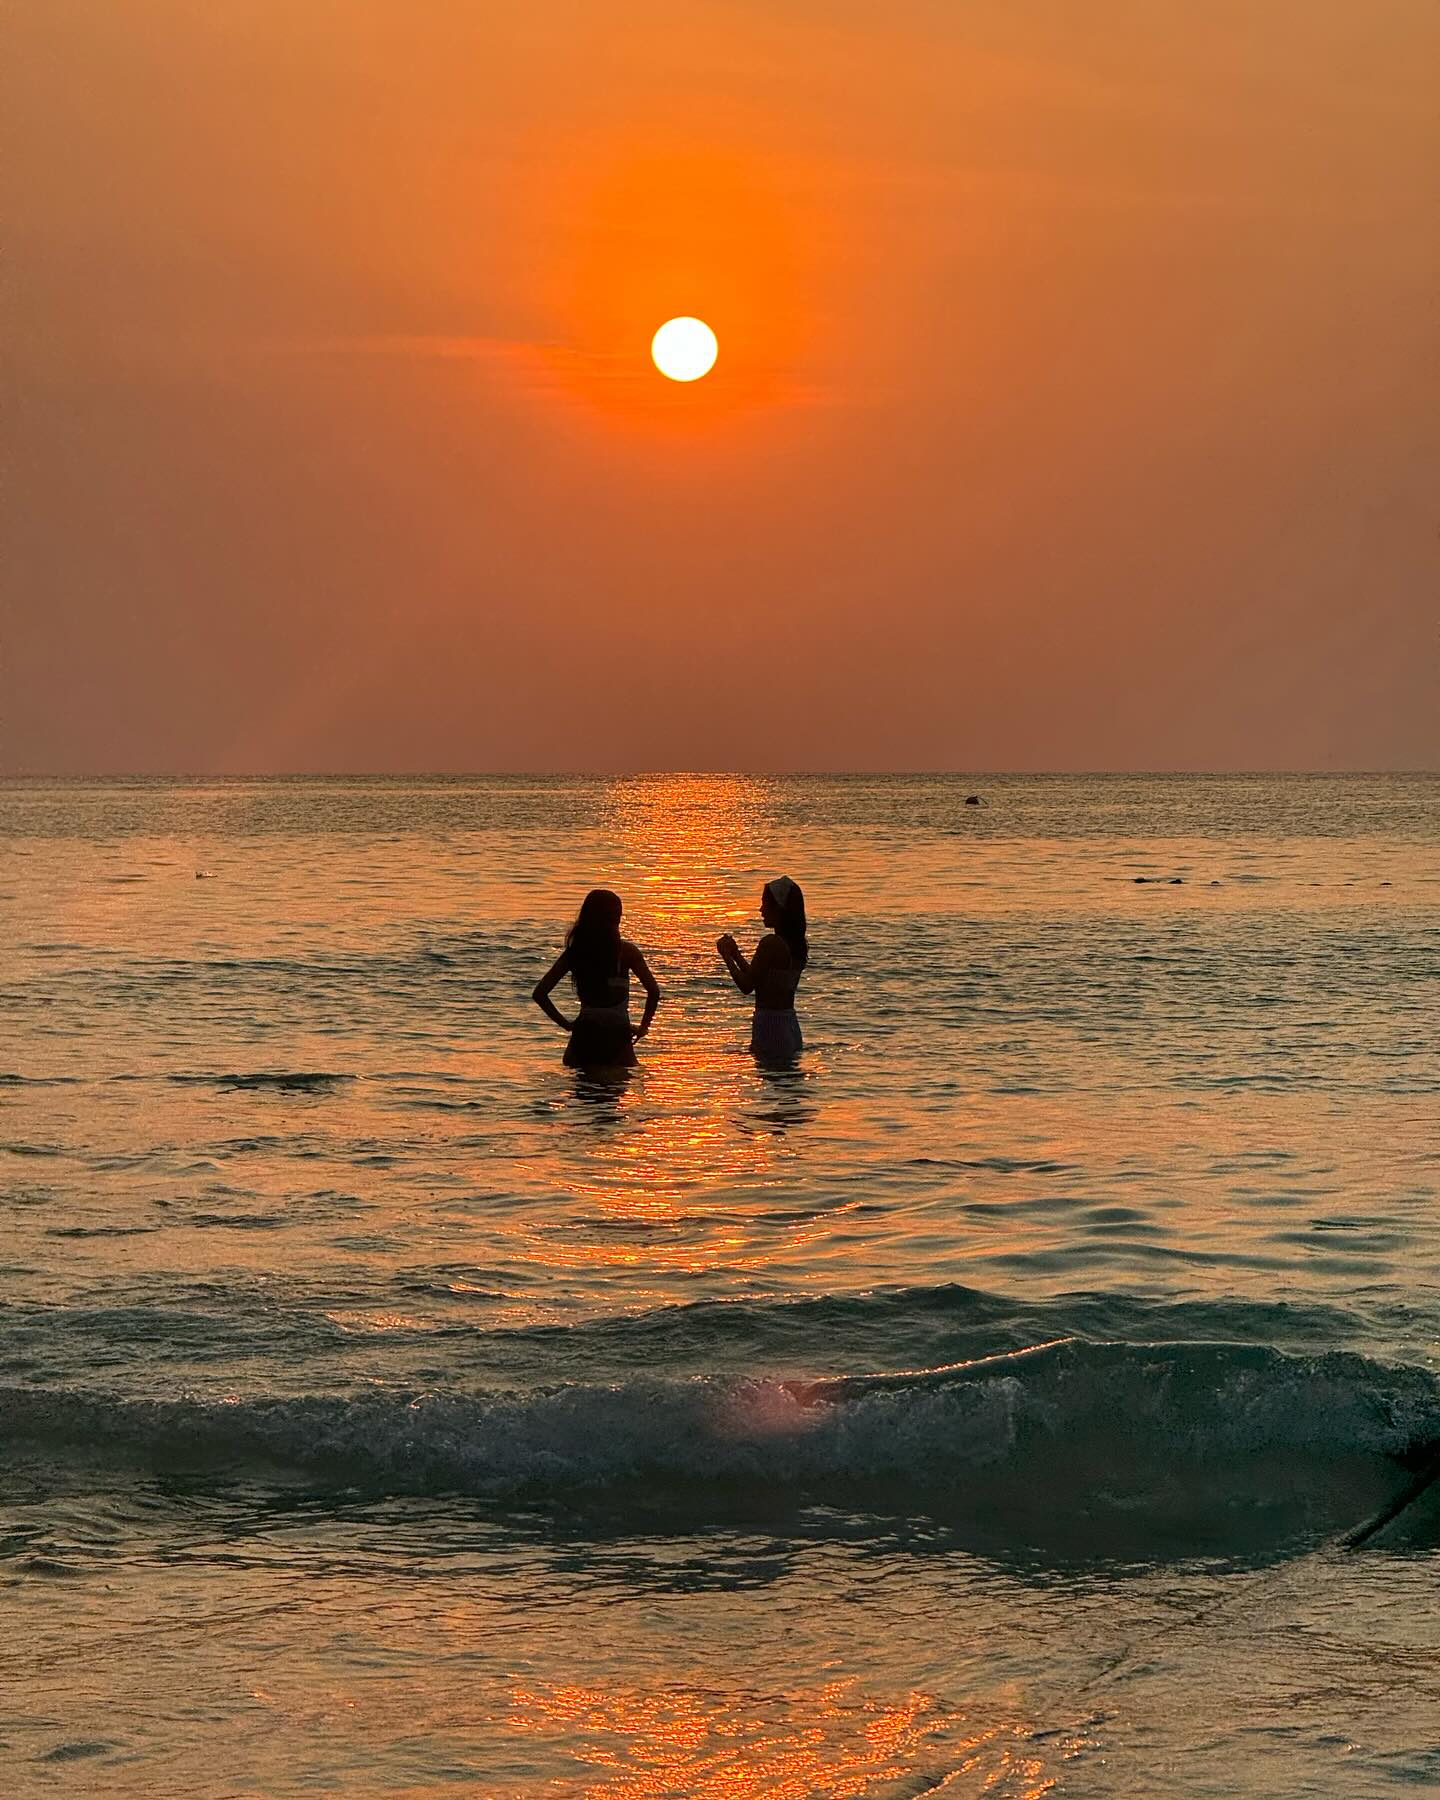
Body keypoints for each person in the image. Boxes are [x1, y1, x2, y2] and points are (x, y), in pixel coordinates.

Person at [532, 889, 660, 1069]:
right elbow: (653, 992)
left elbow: (540, 994)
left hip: (584, 1038)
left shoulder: (576, 952)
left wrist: (568, 1025)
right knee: (615, 1090)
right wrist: (642, 1028)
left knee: (583, 1093)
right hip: (617, 1039)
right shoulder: (627, 952)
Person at [716, 875, 808, 1061]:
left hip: (769, 1024)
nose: (761, 910)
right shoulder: (798, 945)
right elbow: (759, 978)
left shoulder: (771, 943)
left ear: (779, 909)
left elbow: (747, 985)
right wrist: (736, 954)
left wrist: (726, 957)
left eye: (765, 904)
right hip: (789, 1023)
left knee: (769, 1079)